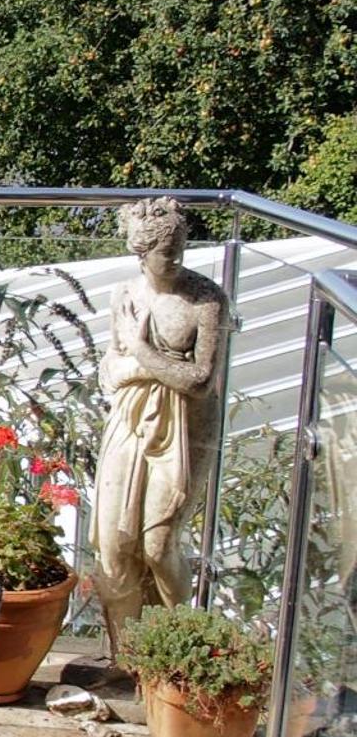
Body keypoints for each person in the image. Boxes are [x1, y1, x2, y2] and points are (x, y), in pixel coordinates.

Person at [91, 197, 226, 650]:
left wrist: (141, 352)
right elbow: (110, 369)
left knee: (159, 544)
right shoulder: (125, 294)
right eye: (167, 252)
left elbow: (200, 380)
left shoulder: (206, 298)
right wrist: (139, 364)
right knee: (114, 543)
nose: (176, 259)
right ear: (142, 252)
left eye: (181, 248)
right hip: (129, 421)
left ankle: (177, 645)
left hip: (185, 431)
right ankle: (128, 652)